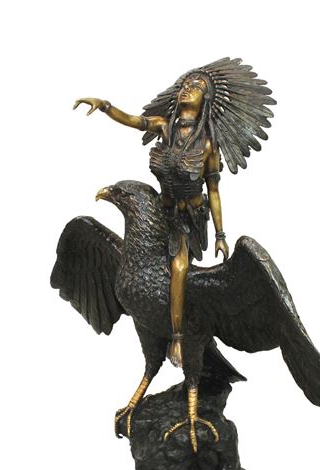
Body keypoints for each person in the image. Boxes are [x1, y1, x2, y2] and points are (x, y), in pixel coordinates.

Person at [74, 57, 275, 367]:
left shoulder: (207, 146)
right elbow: (133, 120)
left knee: (179, 269)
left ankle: (179, 340)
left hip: (188, 221)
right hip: (159, 214)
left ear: (206, 99)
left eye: (196, 86)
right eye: (185, 84)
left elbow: (214, 191)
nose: (187, 88)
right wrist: (105, 106)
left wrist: (220, 235)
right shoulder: (164, 127)